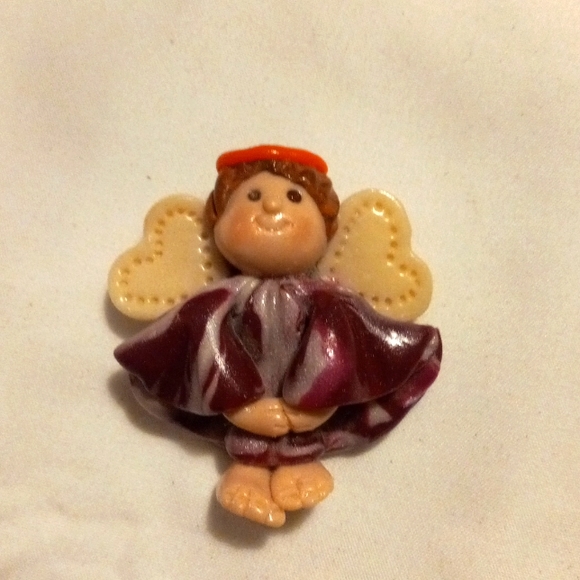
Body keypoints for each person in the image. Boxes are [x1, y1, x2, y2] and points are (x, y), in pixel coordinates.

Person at [115, 145, 442, 527]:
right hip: (243, 412)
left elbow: (342, 349)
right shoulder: (217, 302)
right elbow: (203, 346)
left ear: (326, 229)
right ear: (219, 223)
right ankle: (248, 468)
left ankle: (300, 460)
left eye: (294, 198)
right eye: (253, 196)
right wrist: (239, 407)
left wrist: (319, 405)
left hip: (309, 415)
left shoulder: (329, 301)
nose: (271, 206)